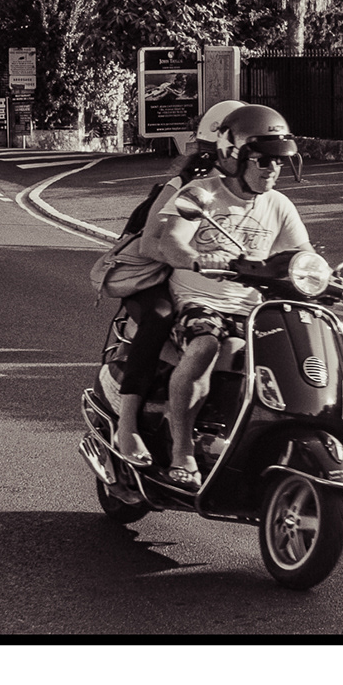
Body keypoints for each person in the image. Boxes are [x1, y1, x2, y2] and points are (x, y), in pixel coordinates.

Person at [148, 104, 313, 490]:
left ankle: (254, 444)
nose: (272, 170)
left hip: (252, 310)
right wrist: (198, 259)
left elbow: (302, 254)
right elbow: (171, 242)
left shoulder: (279, 205)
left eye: (279, 162)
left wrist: (331, 278)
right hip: (198, 302)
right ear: (234, 156)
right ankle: (182, 449)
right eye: (263, 161)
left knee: (293, 353)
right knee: (205, 344)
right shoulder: (201, 193)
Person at [110, 101, 245, 465]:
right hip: (153, 273)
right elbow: (150, 245)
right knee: (160, 315)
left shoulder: (245, 190)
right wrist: (195, 259)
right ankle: (128, 425)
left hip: (204, 282)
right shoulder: (183, 185)